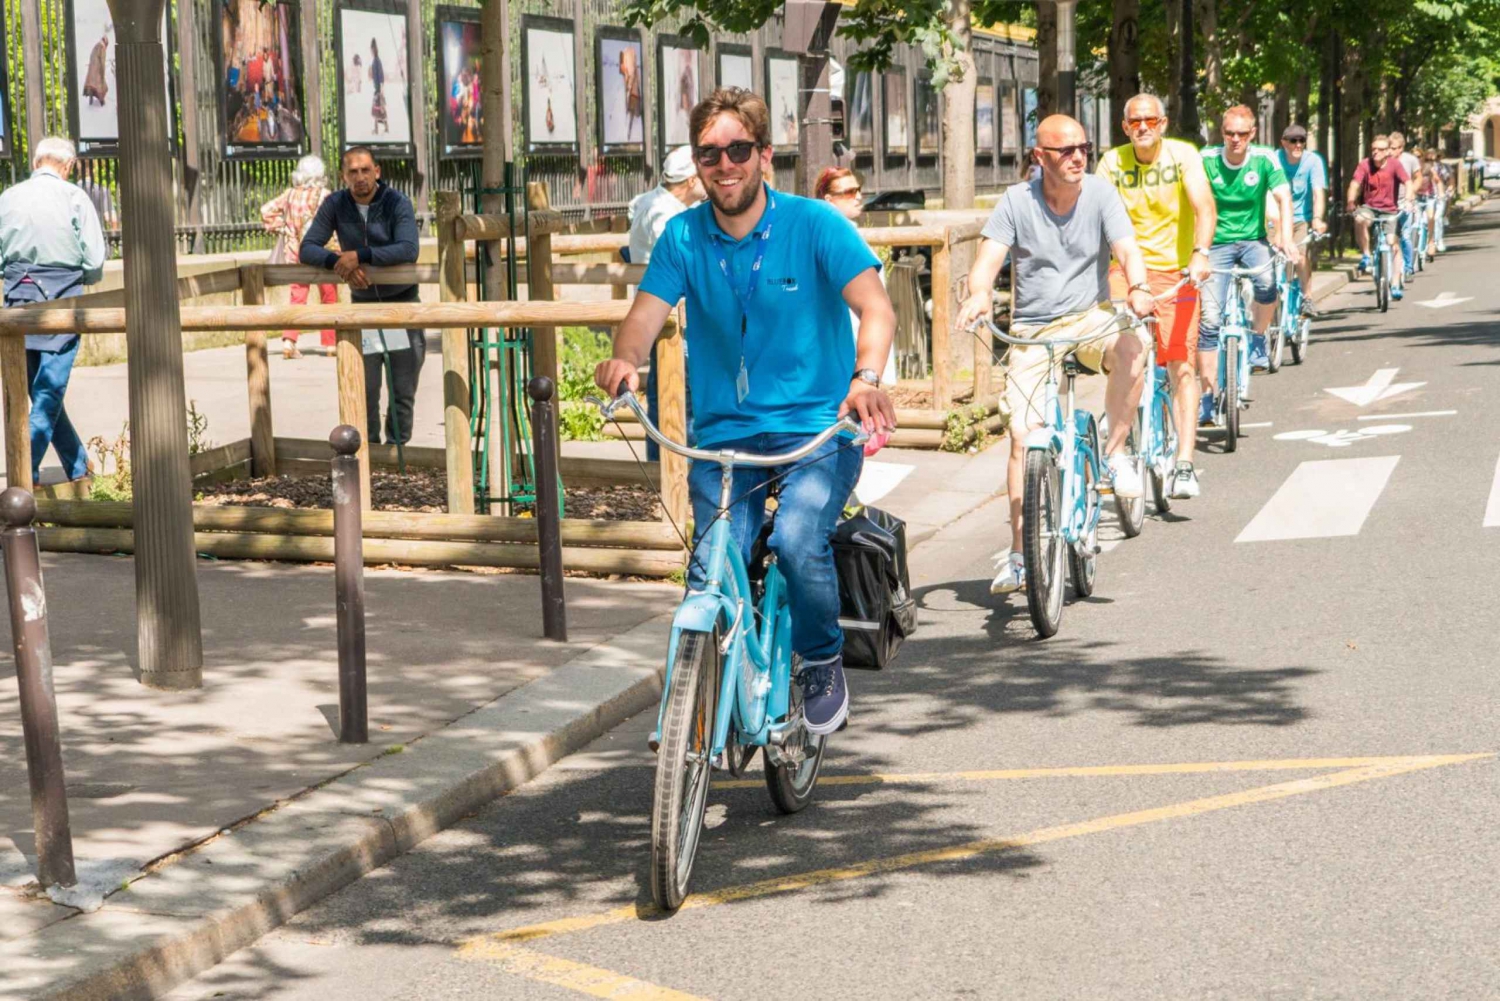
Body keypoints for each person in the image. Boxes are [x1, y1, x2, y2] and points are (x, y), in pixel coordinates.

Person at [594, 88, 897, 736]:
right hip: (726, 440)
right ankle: (700, 704)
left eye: (737, 150)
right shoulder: (681, 236)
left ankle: (819, 658)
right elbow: (643, 319)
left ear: (762, 154)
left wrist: (865, 378)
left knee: (794, 538)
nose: (723, 164)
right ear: (697, 162)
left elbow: (876, 306)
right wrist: (624, 360)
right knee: (710, 568)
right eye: (709, 153)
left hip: (818, 429)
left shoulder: (814, 224)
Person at [956, 114, 1158, 594]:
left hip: (1091, 317)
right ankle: (1020, 556)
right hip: (1034, 328)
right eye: (1064, 150)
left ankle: (1113, 455)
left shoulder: (1100, 193)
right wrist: (980, 293)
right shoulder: (1016, 201)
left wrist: (1140, 287)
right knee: (1023, 439)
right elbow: (987, 261)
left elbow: (1127, 249)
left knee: (1135, 345)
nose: (1077, 157)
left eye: (1083, 147)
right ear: (1038, 157)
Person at [1097, 92, 1216, 500]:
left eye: (1150, 120)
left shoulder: (1183, 156)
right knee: (1123, 356)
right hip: (1125, 272)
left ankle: (1184, 463)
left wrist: (1200, 254)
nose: (1143, 127)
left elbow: (1204, 207)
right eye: (1135, 122)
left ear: (1162, 124)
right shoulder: (1111, 163)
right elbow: (1096, 214)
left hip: (1176, 273)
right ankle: (1115, 450)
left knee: (1180, 365)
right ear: (1124, 126)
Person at [0, 137, 107, 485]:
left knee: (42, 390)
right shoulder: (74, 197)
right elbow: (94, 259)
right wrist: (85, 278)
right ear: (68, 165)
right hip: (63, 299)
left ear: (36, 161)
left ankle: (78, 467)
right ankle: (23, 475)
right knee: (49, 393)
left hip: (18, 299)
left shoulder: (8, 197)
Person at [299, 147, 424, 445]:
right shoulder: (335, 204)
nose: (360, 177)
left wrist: (360, 255)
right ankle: (369, 457)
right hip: (363, 310)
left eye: (365, 170)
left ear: (377, 171)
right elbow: (308, 247)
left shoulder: (397, 203)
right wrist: (340, 264)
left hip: (401, 308)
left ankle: (397, 454)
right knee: (365, 391)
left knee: (402, 392)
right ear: (344, 176)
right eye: (353, 172)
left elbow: (409, 249)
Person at [1198, 105, 1296, 403]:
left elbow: (1284, 198)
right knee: (1210, 319)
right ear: (1221, 133)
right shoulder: (1206, 159)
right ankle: (1206, 395)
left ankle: (1256, 337)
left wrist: (1286, 238)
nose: (1235, 139)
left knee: (1267, 283)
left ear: (1252, 133)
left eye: (1242, 133)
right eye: (1229, 133)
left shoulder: (1264, 159)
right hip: (1215, 244)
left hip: (1253, 240)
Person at [627, 145, 705, 460]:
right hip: (672, 316)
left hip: (666, 314)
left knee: (669, 394)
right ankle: (675, 468)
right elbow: (680, 262)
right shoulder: (665, 214)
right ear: (690, 180)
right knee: (681, 396)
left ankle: (667, 465)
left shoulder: (655, 203)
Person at [816, 166, 898, 387]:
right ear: (829, 199)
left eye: (859, 190)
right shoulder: (827, 241)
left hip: (869, 339)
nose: (859, 197)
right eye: (850, 192)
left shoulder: (853, 234)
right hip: (847, 348)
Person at [262, 154, 337, 359]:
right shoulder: (326, 196)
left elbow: (265, 211)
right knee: (329, 297)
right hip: (323, 253)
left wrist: (284, 229)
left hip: (296, 254)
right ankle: (331, 344)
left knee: (297, 298)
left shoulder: (289, 195)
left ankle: (289, 341)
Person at [1348, 134, 1410, 300]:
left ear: (1388, 151)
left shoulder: (1395, 165)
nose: (1376, 152)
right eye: (1373, 149)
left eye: (1381, 149)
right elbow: (1355, 184)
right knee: (1360, 219)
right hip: (1370, 207)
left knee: (1393, 243)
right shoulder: (1365, 164)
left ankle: (1396, 282)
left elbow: (1408, 182)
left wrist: (1409, 200)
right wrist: (1350, 201)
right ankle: (1367, 255)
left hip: (1390, 210)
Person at [1275, 123, 1328, 312]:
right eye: (1293, 140)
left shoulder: (1313, 161)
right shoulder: (1274, 159)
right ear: (1283, 143)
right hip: (1277, 218)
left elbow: (1318, 193)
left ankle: (1307, 297)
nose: (1298, 145)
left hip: (1300, 219)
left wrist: (1317, 218)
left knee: (1299, 257)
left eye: (1302, 141)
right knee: (1271, 259)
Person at [1390, 132, 1420, 279]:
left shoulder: (1410, 160)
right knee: (1390, 236)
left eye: (1395, 148)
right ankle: (1390, 266)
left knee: (1405, 236)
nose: (1392, 151)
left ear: (1401, 148)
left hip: (1404, 201)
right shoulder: (1385, 161)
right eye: (1390, 147)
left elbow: (1418, 178)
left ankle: (1408, 266)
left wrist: (1411, 193)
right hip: (1389, 203)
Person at [1415, 150, 1446, 263]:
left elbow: (1438, 181)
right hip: (1416, 197)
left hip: (1429, 196)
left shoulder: (1428, 168)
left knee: (1430, 217)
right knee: (1415, 220)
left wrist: (1441, 193)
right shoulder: (1409, 168)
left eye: (1418, 156)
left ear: (1422, 158)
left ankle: (1431, 241)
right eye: (1414, 157)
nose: (1416, 159)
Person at [83, 34, 110, 106]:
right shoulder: (102, 47)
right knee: (101, 85)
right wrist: (102, 72)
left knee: (92, 85)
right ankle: (102, 102)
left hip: (91, 69)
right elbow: (102, 60)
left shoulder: (96, 46)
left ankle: (91, 101)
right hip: (97, 70)